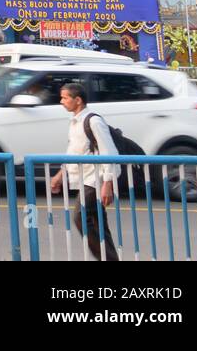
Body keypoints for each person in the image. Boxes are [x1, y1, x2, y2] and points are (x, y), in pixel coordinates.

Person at [48, 82, 119, 261]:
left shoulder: (93, 121)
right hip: (85, 178)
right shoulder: (75, 122)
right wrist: (59, 175)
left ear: (77, 100)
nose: (61, 101)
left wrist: (107, 183)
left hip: (95, 179)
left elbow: (109, 152)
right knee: (98, 224)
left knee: (80, 217)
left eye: (65, 98)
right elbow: (74, 151)